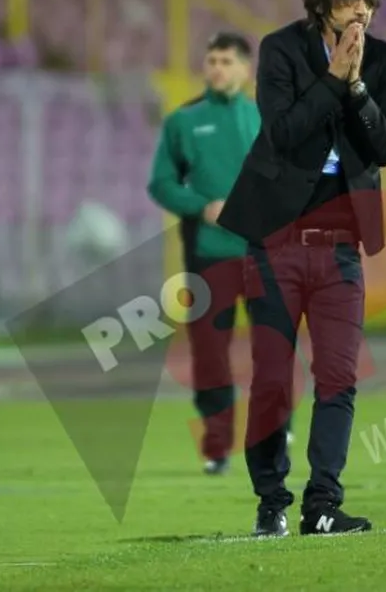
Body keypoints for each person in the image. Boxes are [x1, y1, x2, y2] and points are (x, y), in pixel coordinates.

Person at [218, 0, 386, 537]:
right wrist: (332, 78)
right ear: (323, 7)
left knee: (339, 377)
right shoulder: (281, 50)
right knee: (273, 381)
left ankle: (322, 505)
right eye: (349, 0)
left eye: (366, 1)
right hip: (276, 243)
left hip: (340, 246)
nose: (361, 11)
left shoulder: (382, 59)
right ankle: (270, 501)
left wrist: (357, 87)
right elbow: (282, 132)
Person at [147, 32, 269, 476]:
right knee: (210, 352)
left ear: (246, 69)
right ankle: (217, 445)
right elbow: (161, 184)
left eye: (226, 61)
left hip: (263, 253)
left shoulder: (265, 119)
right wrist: (201, 206)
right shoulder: (184, 122)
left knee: (273, 346)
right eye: (212, 60)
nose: (217, 68)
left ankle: (275, 431)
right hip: (210, 254)